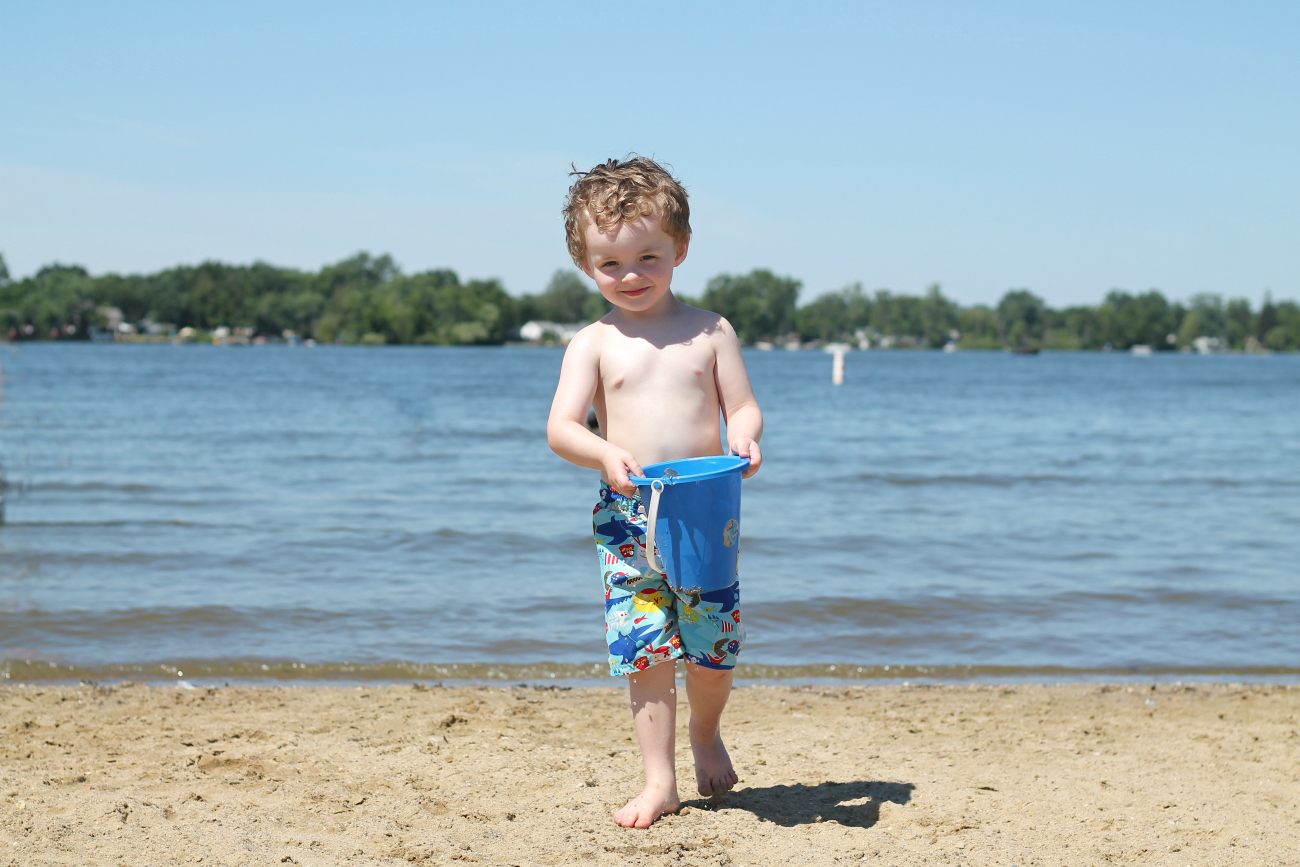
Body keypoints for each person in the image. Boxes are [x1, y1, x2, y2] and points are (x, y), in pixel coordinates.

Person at [547, 156, 764, 829]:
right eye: (611, 264)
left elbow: (745, 407)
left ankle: (705, 730)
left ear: (681, 249)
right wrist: (603, 449)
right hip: (628, 515)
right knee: (645, 649)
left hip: (703, 511)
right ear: (585, 263)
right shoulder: (593, 342)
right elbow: (560, 428)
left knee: (711, 650)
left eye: (649, 257)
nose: (631, 276)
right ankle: (659, 779)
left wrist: (747, 439)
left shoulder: (710, 331)